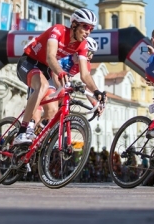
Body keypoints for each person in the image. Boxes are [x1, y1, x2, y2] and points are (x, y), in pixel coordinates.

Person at [14, 8, 105, 144]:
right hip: (29, 62)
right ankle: (22, 132)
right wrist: (61, 72)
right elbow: (50, 57)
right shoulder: (58, 30)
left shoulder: (83, 45)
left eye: (91, 29)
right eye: (85, 27)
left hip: (45, 70)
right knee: (43, 86)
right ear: (74, 25)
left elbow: (85, 75)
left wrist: (97, 92)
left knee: (54, 109)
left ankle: (35, 141)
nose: (88, 31)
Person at [32, 36, 101, 128]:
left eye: (93, 54)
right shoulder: (66, 57)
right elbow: (55, 74)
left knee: (55, 114)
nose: (91, 56)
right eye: (89, 52)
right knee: (37, 117)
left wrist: (95, 103)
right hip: (42, 79)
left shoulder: (86, 65)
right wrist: (62, 91)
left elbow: (86, 85)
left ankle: (41, 137)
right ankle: (23, 134)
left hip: (56, 85)